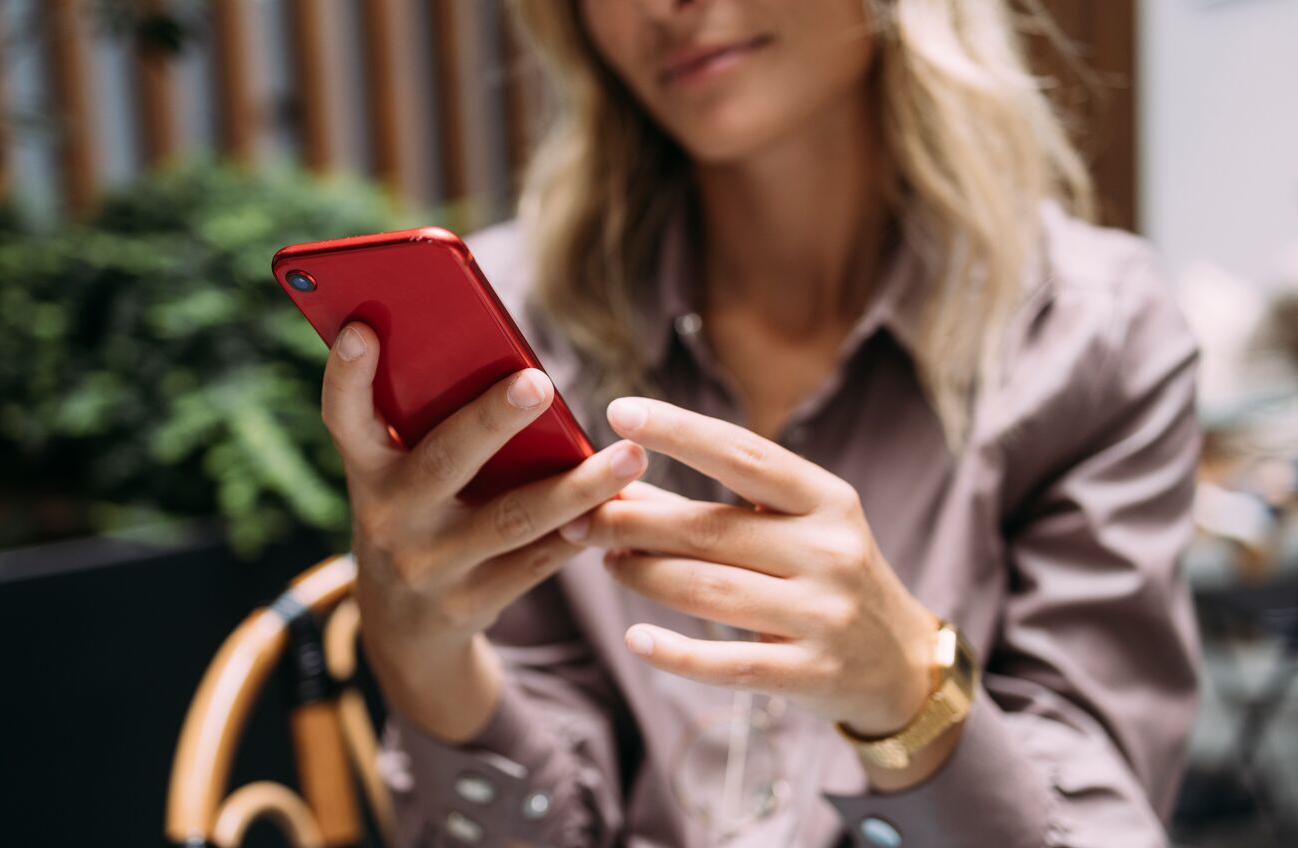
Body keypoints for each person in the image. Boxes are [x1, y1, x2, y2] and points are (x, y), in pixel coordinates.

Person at [319, 1, 1200, 845]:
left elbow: (1092, 823)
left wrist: (909, 688)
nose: (666, 4)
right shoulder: (516, 332)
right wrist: (422, 664)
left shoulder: (1091, 333)